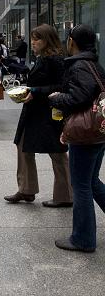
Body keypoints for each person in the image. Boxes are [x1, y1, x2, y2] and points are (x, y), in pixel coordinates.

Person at [49, 24, 105, 252]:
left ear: (72, 41)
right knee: (91, 180)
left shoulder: (79, 65)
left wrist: (57, 98)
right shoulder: (94, 64)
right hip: (99, 131)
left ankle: (83, 239)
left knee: (80, 185)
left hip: (86, 135)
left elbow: (80, 97)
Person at [4, 23, 73, 207]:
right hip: (34, 111)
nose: (33, 42)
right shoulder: (43, 58)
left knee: (57, 152)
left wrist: (35, 90)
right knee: (23, 146)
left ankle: (65, 195)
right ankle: (27, 189)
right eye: (33, 38)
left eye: (37, 39)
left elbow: (61, 87)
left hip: (50, 113)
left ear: (47, 40)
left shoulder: (56, 60)